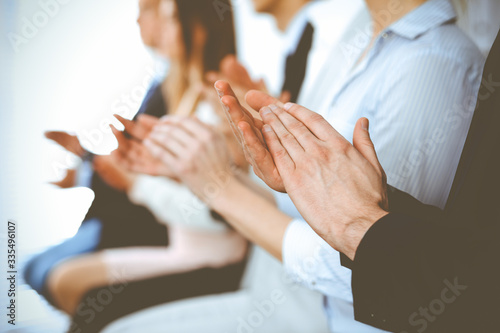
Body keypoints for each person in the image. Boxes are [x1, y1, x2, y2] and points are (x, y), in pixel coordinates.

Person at [142, 0, 485, 331]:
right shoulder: (357, 40)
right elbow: (315, 202)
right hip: (280, 299)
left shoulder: (434, 60)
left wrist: (221, 189)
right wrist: (231, 168)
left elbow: (378, 265)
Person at [61, 0, 250, 332]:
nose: (159, 28)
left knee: (84, 300)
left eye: (170, 19)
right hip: (183, 244)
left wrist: (137, 184)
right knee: (69, 283)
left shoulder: (212, 103)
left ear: (199, 27)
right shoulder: (184, 96)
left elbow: (217, 216)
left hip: (215, 259)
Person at [23, 0, 169, 306]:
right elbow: (135, 165)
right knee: (36, 271)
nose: (138, 21)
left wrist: (86, 167)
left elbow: (141, 174)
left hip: (141, 223)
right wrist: (84, 160)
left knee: (41, 271)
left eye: (146, 10)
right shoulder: (160, 84)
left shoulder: (174, 90)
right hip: (126, 211)